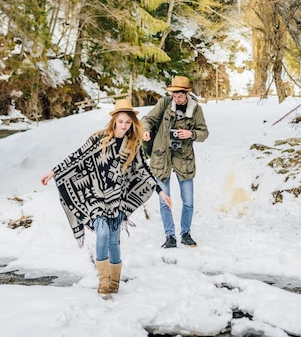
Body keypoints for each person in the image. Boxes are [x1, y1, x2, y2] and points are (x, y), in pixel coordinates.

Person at [41, 98, 172, 296]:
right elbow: (77, 156)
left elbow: (143, 170)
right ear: (114, 120)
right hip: (95, 197)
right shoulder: (98, 139)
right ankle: (103, 281)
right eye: (121, 121)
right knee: (102, 234)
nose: (124, 125)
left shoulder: (133, 145)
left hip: (117, 199)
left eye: (128, 122)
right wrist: (53, 171)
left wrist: (161, 191)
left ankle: (114, 283)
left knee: (113, 241)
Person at [141, 76, 209, 248]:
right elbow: (147, 120)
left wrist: (190, 134)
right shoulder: (164, 104)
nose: (176, 98)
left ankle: (185, 234)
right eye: (174, 94)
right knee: (165, 201)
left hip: (184, 159)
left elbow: (204, 133)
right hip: (162, 157)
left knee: (188, 201)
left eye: (179, 95)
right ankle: (169, 236)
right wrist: (146, 131)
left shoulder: (196, 110)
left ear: (187, 93)